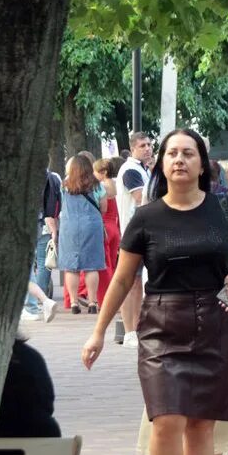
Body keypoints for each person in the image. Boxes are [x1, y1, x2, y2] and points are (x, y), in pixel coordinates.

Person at [82, 128, 228, 455]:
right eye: (172, 153)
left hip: (214, 322)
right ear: (160, 163)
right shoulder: (146, 216)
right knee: (166, 421)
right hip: (162, 325)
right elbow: (123, 278)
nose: (179, 159)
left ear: (202, 163)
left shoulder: (224, 208)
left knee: (201, 424)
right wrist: (99, 331)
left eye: (188, 153)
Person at [116, 132, 153, 348]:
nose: (147, 148)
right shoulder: (131, 170)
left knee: (137, 283)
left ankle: (135, 328)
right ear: (133, 149)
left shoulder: (142, 169)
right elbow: (142, 198)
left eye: (149, 144)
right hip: (132, 234)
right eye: (142, 145)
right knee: (130, 283)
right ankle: (129, 331)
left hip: (141, 233)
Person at [58, 156, 107, 314]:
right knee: (91, 265)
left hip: (69, 226)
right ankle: (92, 302)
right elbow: (103, 208)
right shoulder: (97, 185)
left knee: (71, 267)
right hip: (91, 225)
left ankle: (73, 302)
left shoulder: (64, 185)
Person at [21, 168, 61, 322]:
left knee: (24, 268)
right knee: (41, 264)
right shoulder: (52, 176)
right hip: (44, 222)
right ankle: (39, 302)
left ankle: (35, 304)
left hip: (28, 223)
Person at [92, 158, 122, 307]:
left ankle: (106, 300)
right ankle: (115, 298)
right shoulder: (115, 185)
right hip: (114, 227)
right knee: (113, 265)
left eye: (95, 171)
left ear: (102, 172)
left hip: (104, 227)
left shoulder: (101, 186)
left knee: (104, 266)